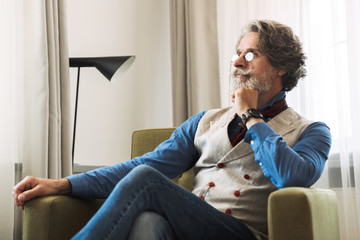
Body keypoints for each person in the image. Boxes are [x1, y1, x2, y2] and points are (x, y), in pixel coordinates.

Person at [12, 19, 331, 240]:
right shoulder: (204, 121)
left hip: (240, 233)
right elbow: (142, 165)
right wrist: (64, 184)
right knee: (148, 219)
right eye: (237, 53)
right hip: (187, 226)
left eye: (251, 55)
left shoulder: (310, 131)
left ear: (280, 67)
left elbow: (291, 176)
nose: (236, 63)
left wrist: (250, 114)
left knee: (146, 181)